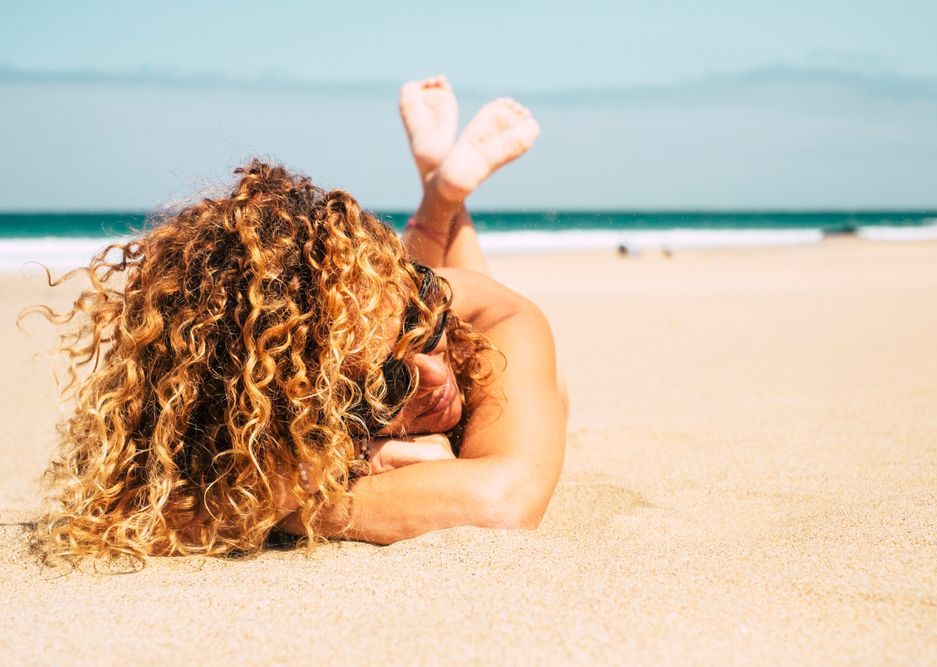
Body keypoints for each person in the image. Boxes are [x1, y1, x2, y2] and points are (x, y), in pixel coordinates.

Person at [27, 76, 566, 559]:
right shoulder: (272, 396)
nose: (433, 373)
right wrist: (355, 461)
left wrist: (302, 494)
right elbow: (155, 509)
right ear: (300, 395)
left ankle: (441, 195)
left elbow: (505, 500)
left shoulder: (482, 316)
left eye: (425, 327)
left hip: (470, 309)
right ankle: (442, 186)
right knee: (387, 320)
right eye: (390, 380)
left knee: (511, 364)